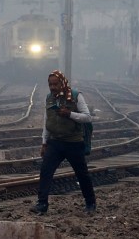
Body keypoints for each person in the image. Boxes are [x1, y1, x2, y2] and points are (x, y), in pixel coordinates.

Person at [30, 70, 96, 215]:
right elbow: (47, 121)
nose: (52, 87)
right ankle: (42, 204)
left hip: (73, 143)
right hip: (55, 142)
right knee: (45, 171)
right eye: (50, 84)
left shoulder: (76, 96)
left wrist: (69, 114)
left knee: (82, 174)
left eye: (55, 84)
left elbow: (87, 117)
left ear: (62, 83)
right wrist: (44, 142)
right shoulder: (49, 99)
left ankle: (90, 203)